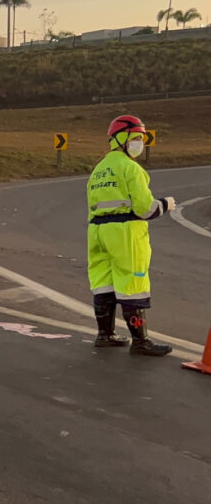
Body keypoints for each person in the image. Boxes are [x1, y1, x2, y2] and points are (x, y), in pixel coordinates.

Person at [87, 115, 176, 356]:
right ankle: (140, 341)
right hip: (125, 232)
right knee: (133, 282)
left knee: (103, 281)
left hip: (97, 232)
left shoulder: (99, 170)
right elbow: (145, 208)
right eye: (136, 138)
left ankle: (105, 334)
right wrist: (165, 204)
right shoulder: (131, 168)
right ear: (121, 139)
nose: (140, 144)